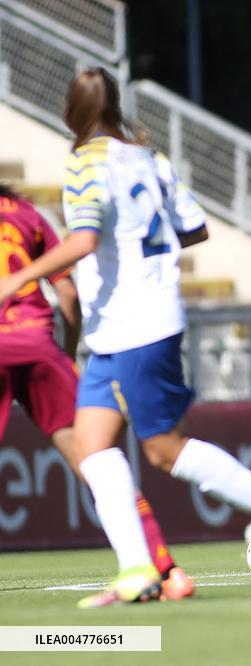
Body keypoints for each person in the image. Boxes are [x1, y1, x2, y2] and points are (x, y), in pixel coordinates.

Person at [0, 68, 251, 607]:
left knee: (164, 451)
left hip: (135, 324)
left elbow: (82, 242)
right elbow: (195, 228)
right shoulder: (149, 158)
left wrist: (20, 277)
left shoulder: (85, 162)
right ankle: (138, 570)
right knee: (94, 448)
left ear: (72, 113)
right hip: (123, 324)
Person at [0, 183, 194, 600]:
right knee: (98, 461)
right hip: (38, 347)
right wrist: (65, 354)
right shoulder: (27, 214)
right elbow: (67, 293)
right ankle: (165, 569)